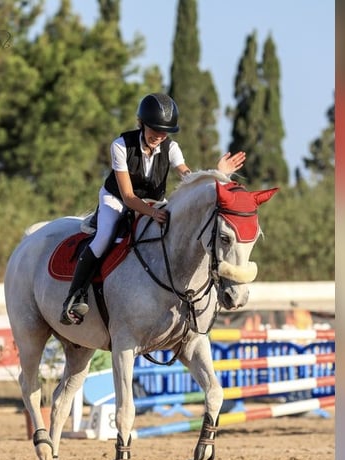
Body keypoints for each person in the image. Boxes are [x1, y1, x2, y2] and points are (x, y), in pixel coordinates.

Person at [60, 92, 246, 325]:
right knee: (104, 238)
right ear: (142, 124)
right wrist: (153, 213)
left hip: (153, 202)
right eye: (154, 130)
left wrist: (217, 175)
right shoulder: (120, 145)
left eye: (163, 132)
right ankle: (74, 297)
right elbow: (128, 196)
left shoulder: (171, 148)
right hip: (116, 199)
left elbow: (189, 178)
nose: (159, 136)